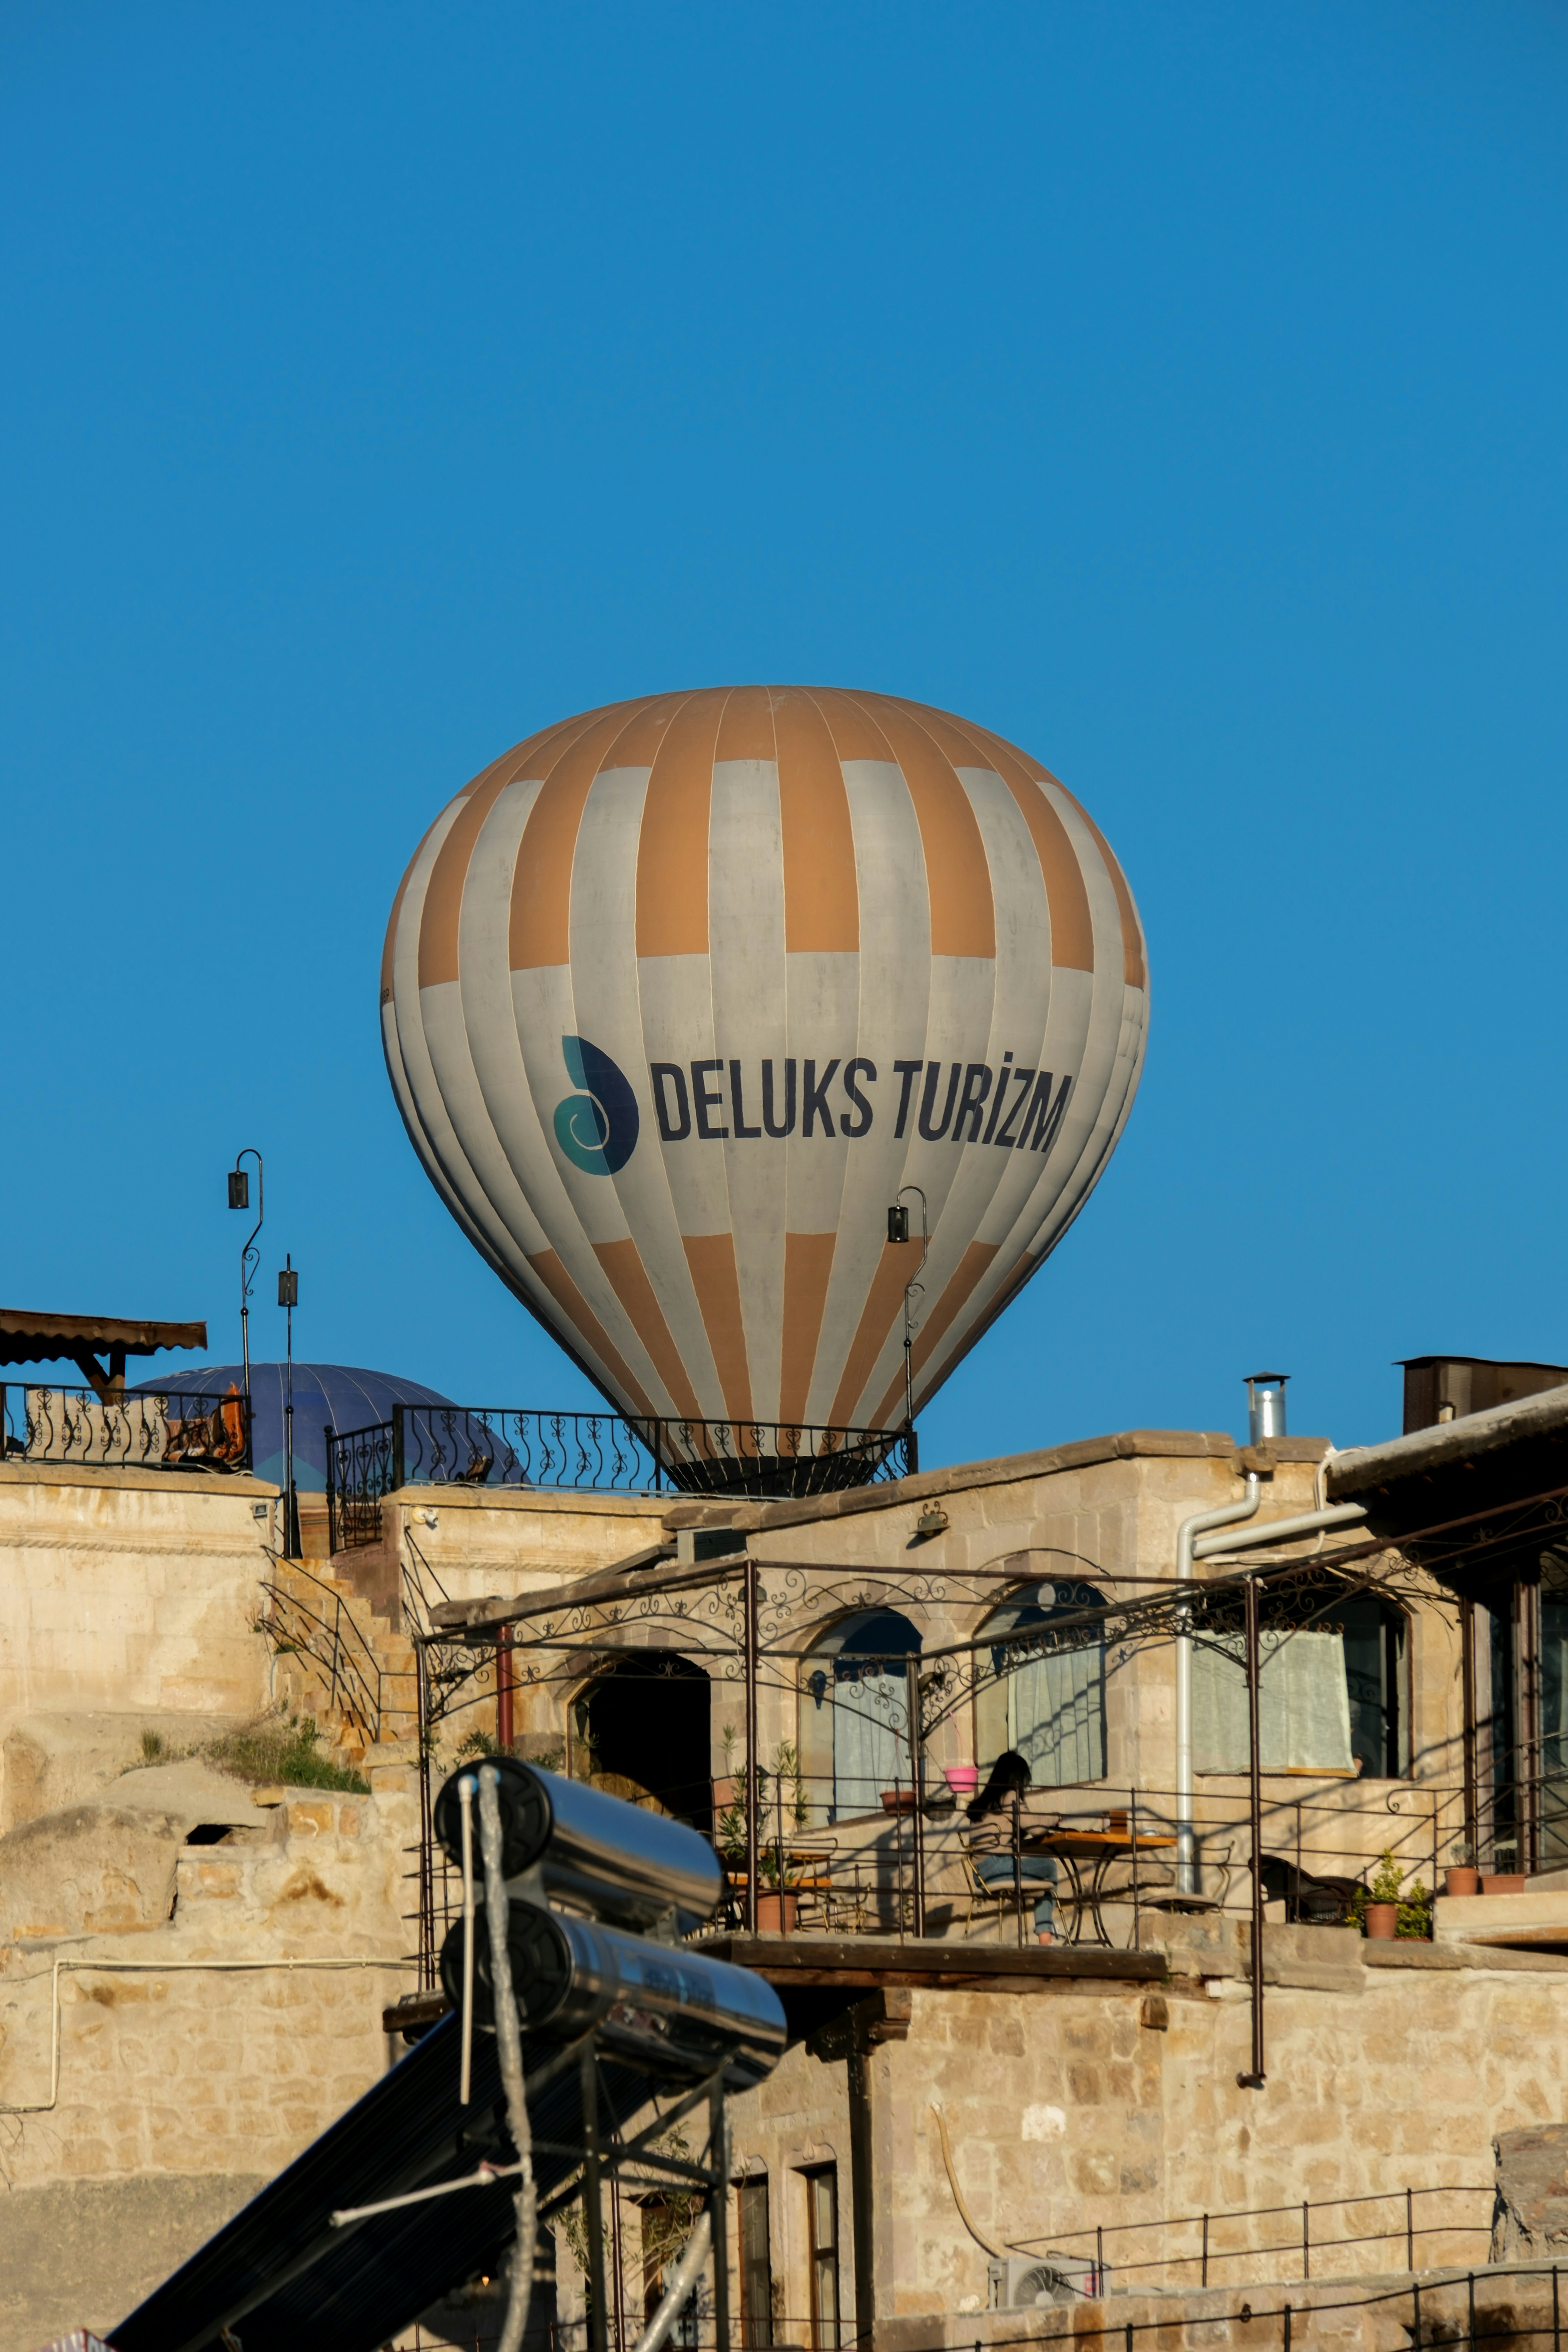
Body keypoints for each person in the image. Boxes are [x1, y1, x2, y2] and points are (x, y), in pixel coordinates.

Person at [964, 1750, 1058, 1941]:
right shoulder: (1009, 1796)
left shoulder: (987, 1801)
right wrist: (1056, 1817)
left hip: (980, 1873)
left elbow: (1015, 1829)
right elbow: (1036, 1828)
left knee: (1041, 1882)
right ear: (1017, 1777)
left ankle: (1045, 1935)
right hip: (998, 1867)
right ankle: (1045, 1936)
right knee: (1050, 1867)